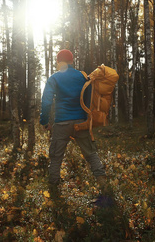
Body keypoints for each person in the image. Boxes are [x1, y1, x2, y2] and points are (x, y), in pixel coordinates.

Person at [40, 49, 109, 199]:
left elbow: (46, 101)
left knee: (56, 157)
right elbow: (90, 98)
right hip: (81, 123)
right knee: (91, 155)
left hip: (61, 123)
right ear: (72, 61)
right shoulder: (83, 77)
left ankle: (53, 192)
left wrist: (44, 121)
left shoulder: (54, 78)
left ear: (59, 62)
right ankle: (104, 186)